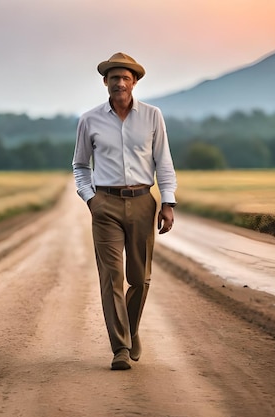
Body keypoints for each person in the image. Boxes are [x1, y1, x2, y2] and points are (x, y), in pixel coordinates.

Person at [72, 52, 177, 370]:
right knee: (112, 277)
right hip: (105, 204)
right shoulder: (89, 120)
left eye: (125, 77)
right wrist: (91, 199)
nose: (119, 82)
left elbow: (164, 161)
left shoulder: (152, 116)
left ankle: (131, 329)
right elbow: (80, 165)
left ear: (134, 82)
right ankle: (120, 347)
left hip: (144, 201)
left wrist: (168, 202)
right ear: (105, 82)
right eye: (113, 77)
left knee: (139, 278)